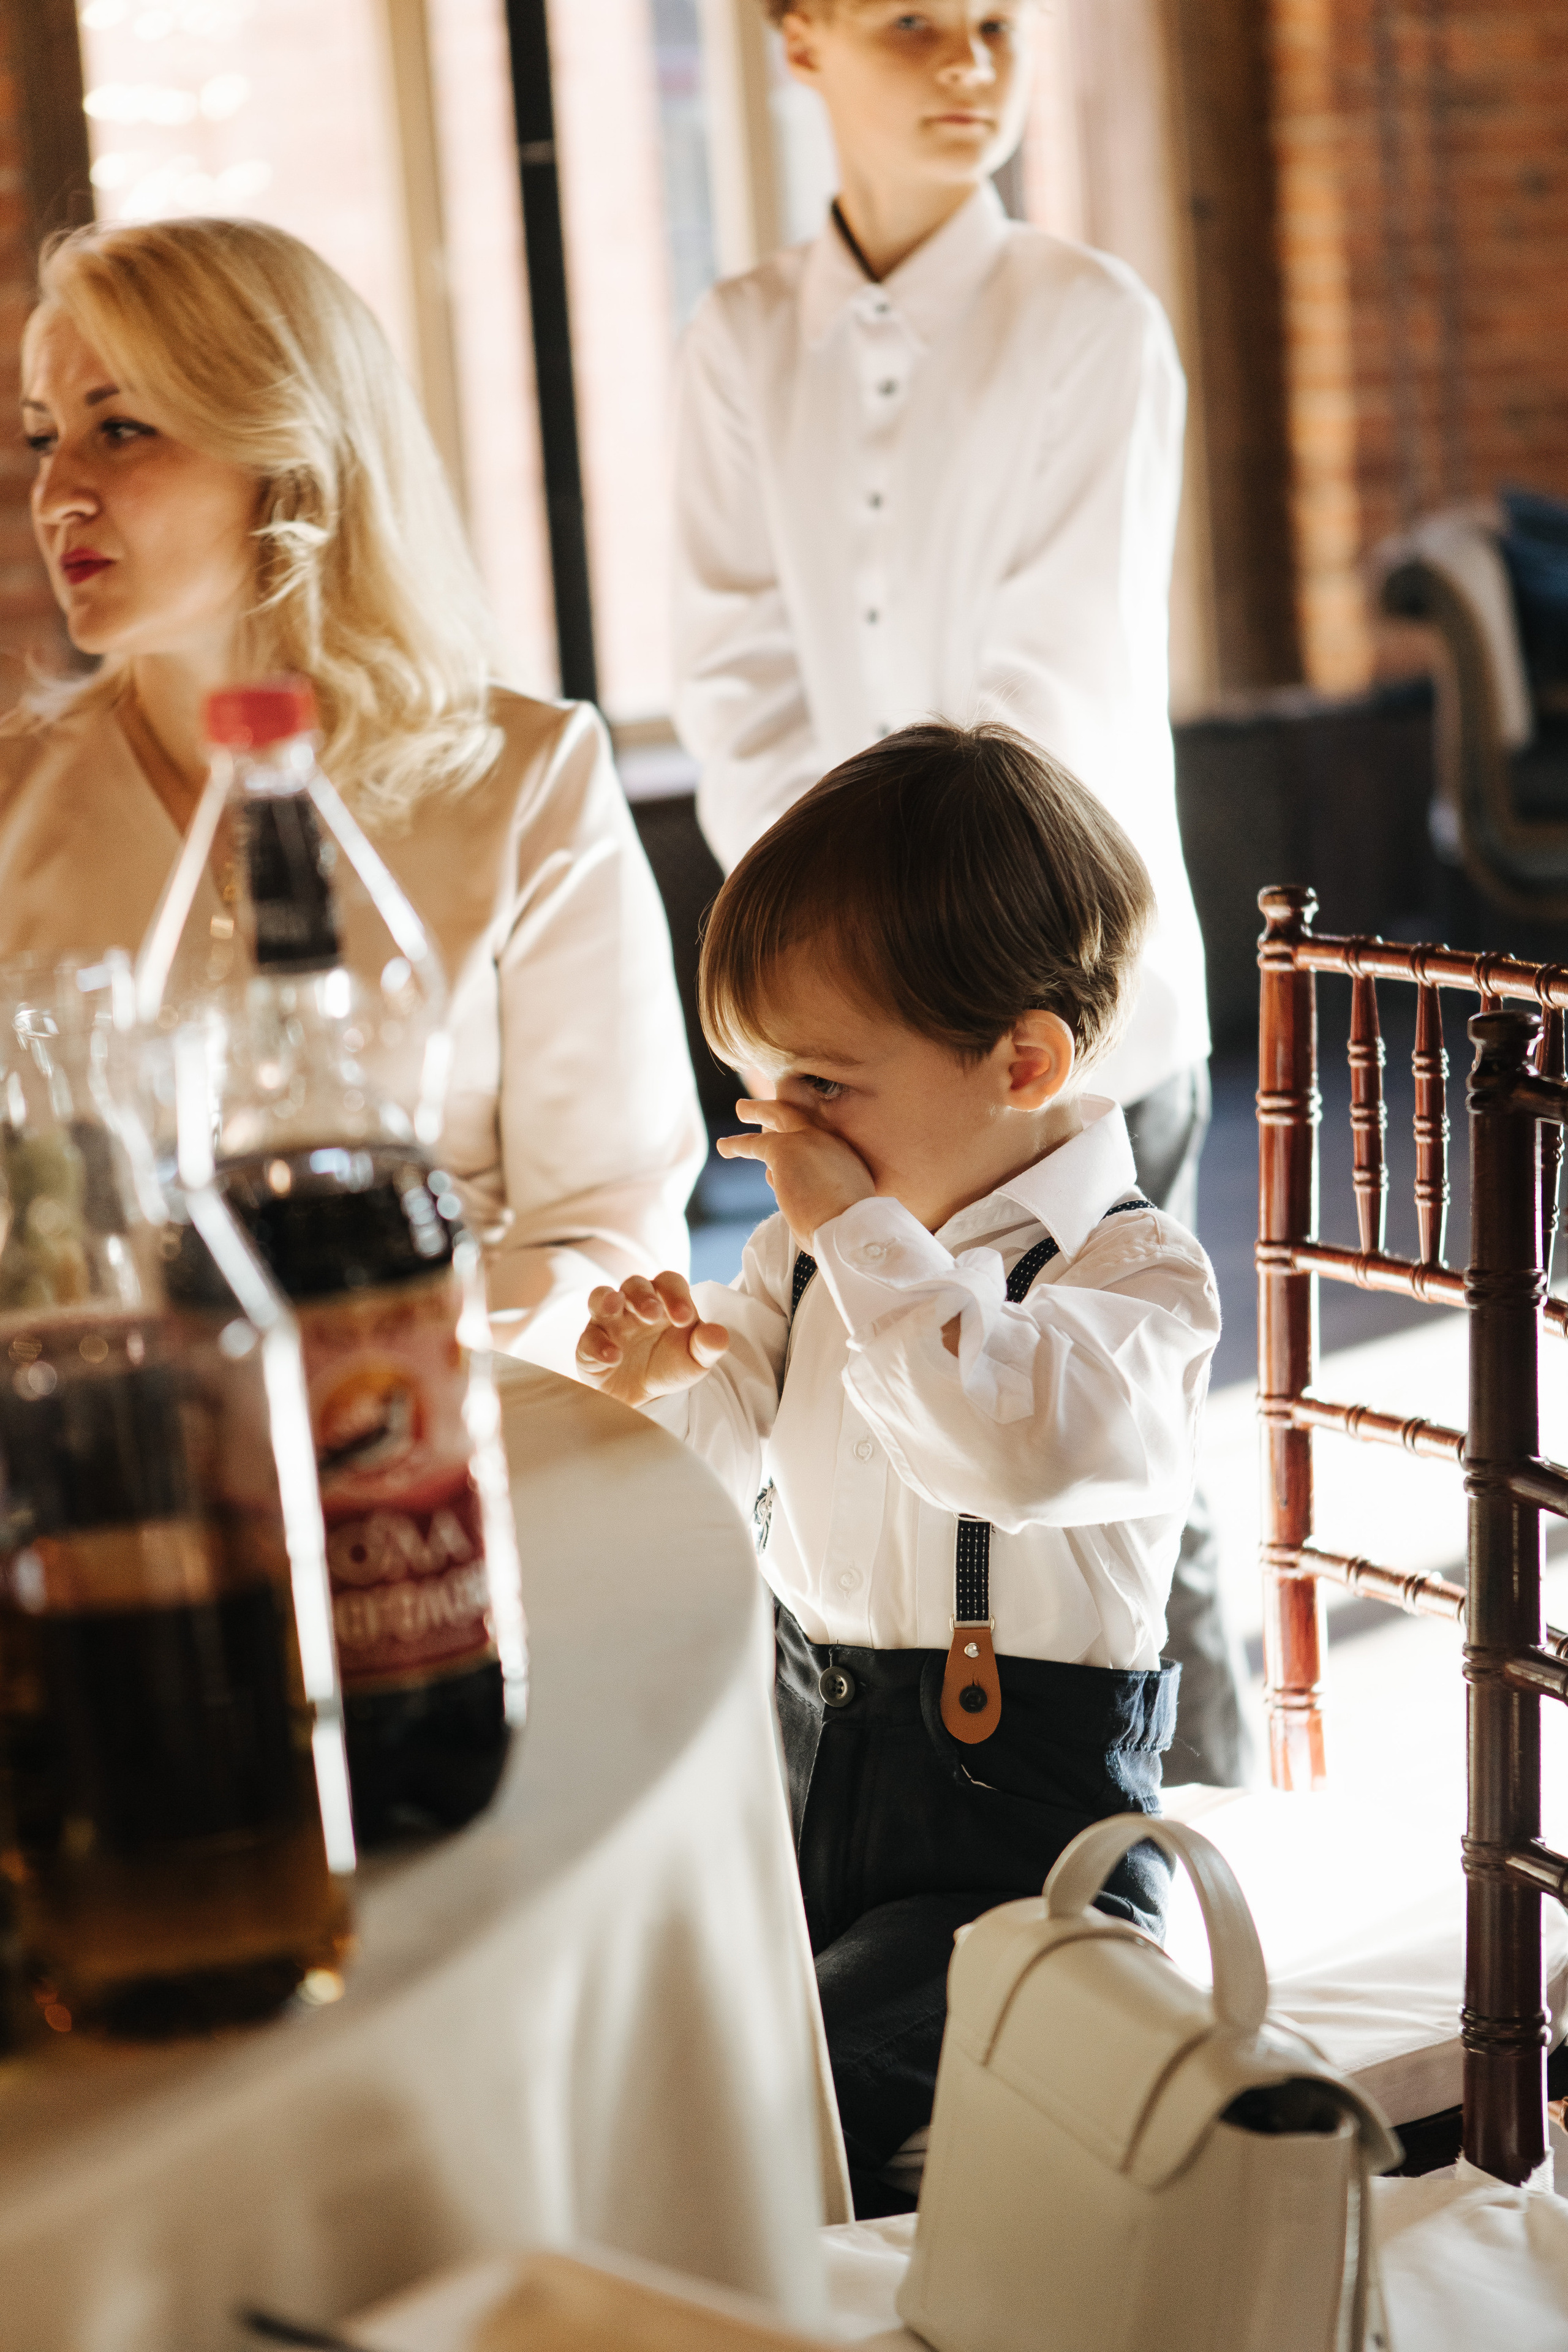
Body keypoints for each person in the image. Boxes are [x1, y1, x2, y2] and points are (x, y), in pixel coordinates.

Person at [670, 0, 1242, 1782]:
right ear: (800, 38)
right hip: (845, 1010)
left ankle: (1173, 1860)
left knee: (1107, 1468)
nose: (973, 63)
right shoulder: (742, 336)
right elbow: (731, 669)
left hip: (1049, 986)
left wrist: (907, 955)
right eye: (918, 23)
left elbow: (1047, 698)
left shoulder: (1087, 317)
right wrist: (823, 968)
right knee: (846, 1405)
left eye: (997, 22)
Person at [574, 723, 1221, 2215]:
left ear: (1023, 1061)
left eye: (819, 1089)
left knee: (754, 2101)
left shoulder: (1134, 1283)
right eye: (760, 1091)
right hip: (812, 1803)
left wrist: (864, 1244)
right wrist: (657, 1382)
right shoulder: (811, 1261)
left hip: (1033, 1886)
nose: (779, 1139)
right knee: (613, 2028)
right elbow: (715, 1474)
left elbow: (1007, 1441)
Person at [0, 215, 703, 1369]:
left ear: (286, 450)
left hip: (479, 1454)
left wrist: (349, 1352)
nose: (60, 491)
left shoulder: (527, 782)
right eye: (43, 438)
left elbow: (611, 1239)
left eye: (120, 429)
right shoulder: (15, 805)